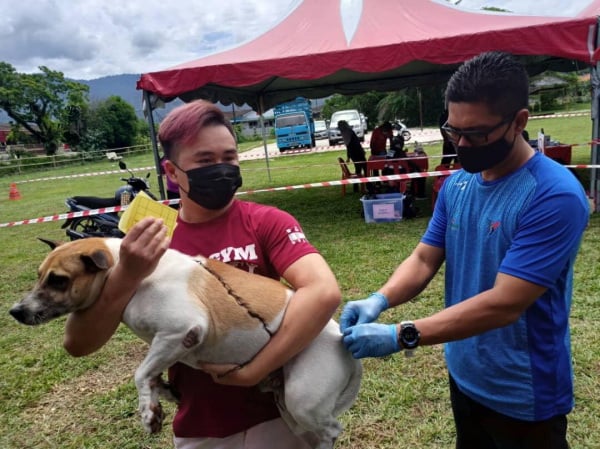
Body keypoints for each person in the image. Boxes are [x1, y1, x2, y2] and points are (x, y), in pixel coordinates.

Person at [340, 51, 589, 449]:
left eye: (476, 134)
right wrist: (379, 299)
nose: (460, 143)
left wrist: (401, 334)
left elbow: (505, 303)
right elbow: (424, 258)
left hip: (523, 392)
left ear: (519, 122)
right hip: (466, 374)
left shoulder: (554, 195)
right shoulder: (457, 185)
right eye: (453, 130)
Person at [63, 99, 341, 449]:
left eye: (229, 157)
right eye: (205, 161)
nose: (222, 169)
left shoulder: (266, 222)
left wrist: (255, 372)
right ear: (172, 172)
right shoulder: (149, 240)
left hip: (279, 415)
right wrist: (128, 275)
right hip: (201, 422)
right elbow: (79, 343)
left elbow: (323, 292)